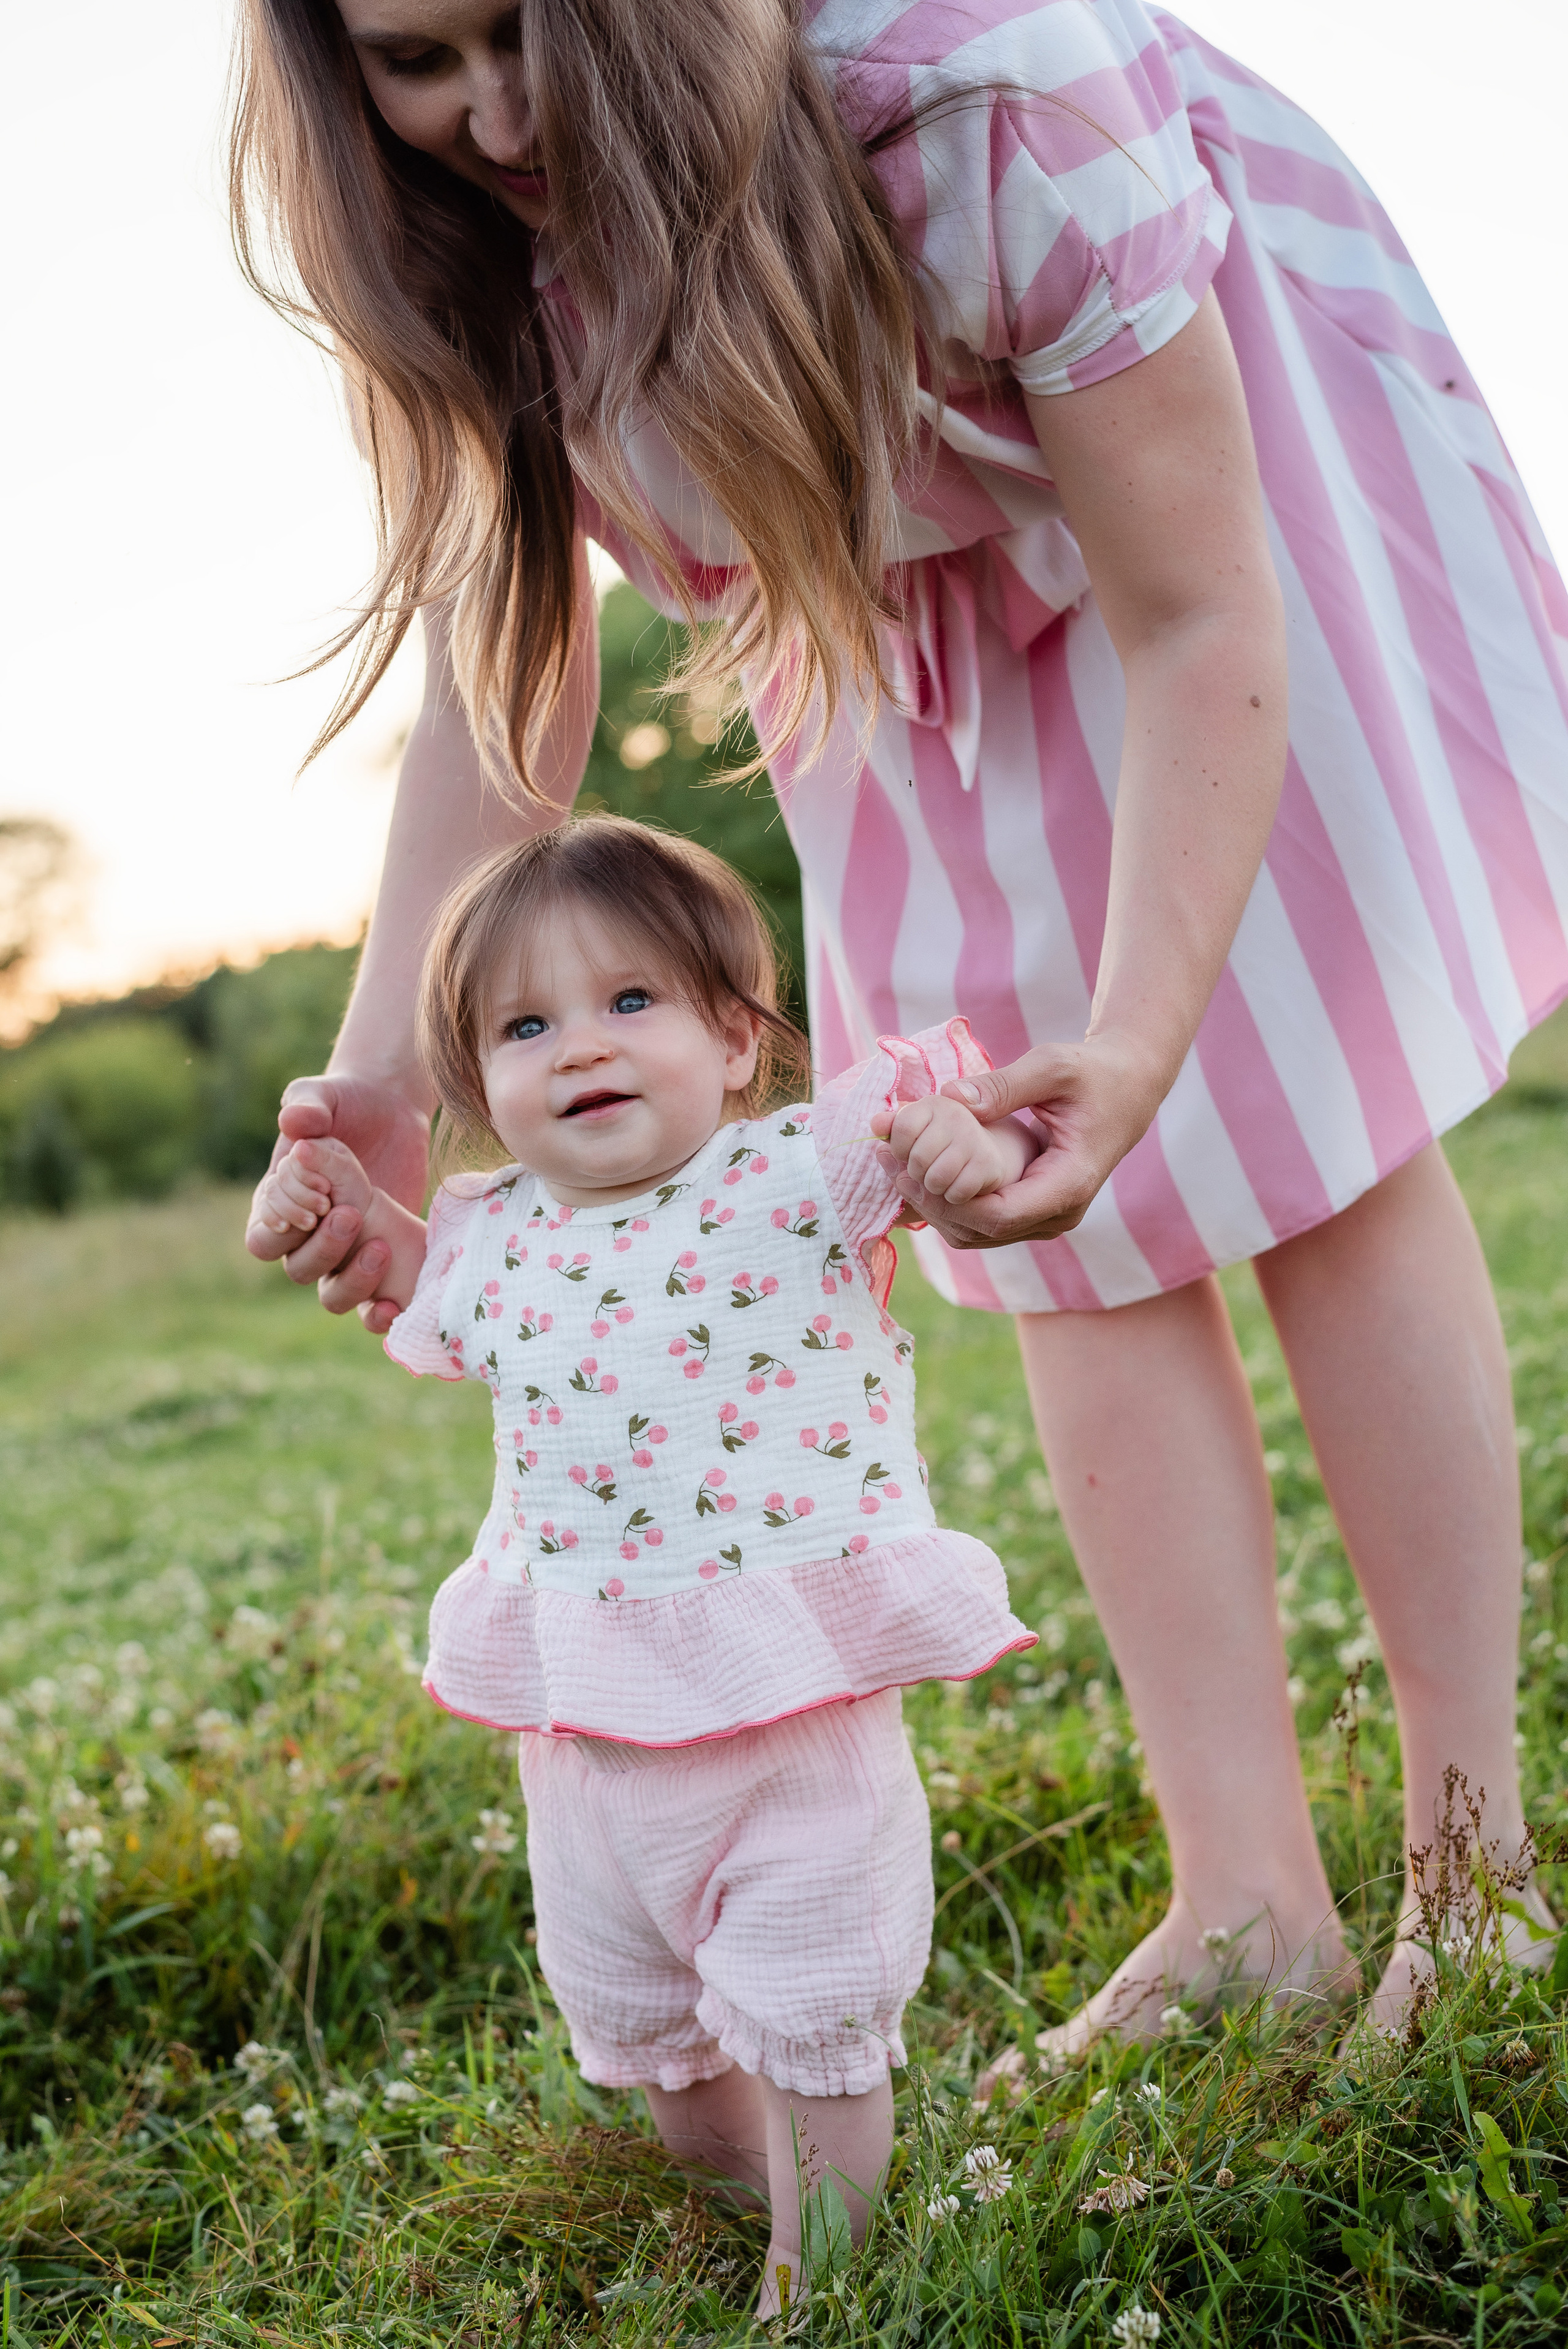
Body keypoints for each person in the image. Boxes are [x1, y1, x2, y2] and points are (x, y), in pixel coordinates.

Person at [238, 0, 1568, 2068]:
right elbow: (509, 681)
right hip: (889, 580)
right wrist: (391, 1083)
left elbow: (1199, 614)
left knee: (1314, 1116)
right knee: (1021, 1190)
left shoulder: (983, 98)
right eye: (417, 58)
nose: (492, 112)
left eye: (526, 29)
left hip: (1194, 527)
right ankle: (1247, 1897)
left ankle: (1475, 1869)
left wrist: (1137, 1040)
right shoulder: (465, 249)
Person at [252, 815, 1036, 2307]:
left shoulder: (806, 1172)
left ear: (737, 1041)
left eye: (629, 1004)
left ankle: (828, 2272)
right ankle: (736, 2201)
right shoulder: (494, 1238)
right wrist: (340, 1204)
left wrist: (961, 1142)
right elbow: (405, 1274)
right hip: (591, 1730)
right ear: (480, 1084)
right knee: (647, 2021)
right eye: (525, 1026)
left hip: (785, 1712)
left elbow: (966, 1159)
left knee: (811, 1999)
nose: (579, 1049)